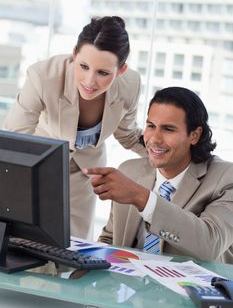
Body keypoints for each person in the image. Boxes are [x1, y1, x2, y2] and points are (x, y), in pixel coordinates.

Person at [3, 16, 146, 240]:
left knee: (72, 248)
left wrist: (176, 158)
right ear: (74, 54)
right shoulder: (43, 76)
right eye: (84, 66)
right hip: (37, 169)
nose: (90, 81)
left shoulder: (130, 85)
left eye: (103, 73)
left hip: (85, 176)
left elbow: (127, 135)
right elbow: (15, 137)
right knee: (27, 247)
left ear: (121, 70)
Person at [83, 86, 233, 263]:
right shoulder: (129, 171)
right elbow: (110, 240)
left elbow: (210, 245)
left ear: (194, 135)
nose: (154, 138)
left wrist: (142, 198)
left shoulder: (225, 178)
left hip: (189, 288)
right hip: (132, 285)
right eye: (151, 126)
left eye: (168, 129)